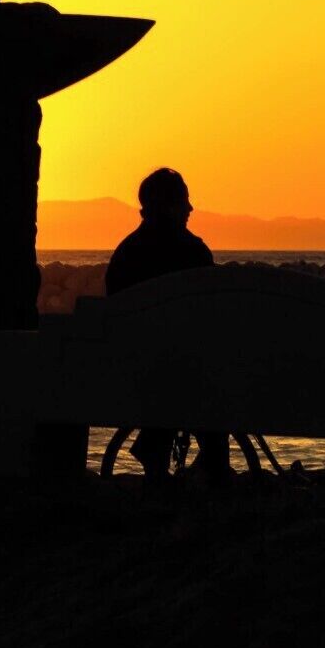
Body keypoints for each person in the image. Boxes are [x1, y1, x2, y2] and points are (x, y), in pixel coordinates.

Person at [103, 168, 225, 479]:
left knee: (167, 365)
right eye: (185, 201)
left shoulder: (126, 254)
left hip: (133, 372)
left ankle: (155, 449)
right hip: (187, 373)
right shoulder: (193, 252)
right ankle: (212, 464)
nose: (190, 208)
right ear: (171, 206)